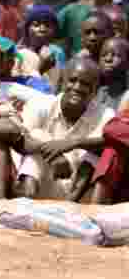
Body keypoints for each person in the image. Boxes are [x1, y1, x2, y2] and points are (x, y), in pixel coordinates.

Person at [9, 58, 112, 200]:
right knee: (37, 136)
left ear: (95, 91)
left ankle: (68, 205)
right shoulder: (40, 104)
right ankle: (26, 201)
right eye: (72, 80)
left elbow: (109, 143)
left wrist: (74, 143)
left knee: (94, 154)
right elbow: (21, 140)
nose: (77, 87)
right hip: (42, 182)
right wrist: (55, 155)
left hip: (77, 191)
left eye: (85, 84)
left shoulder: (105, 114)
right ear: (63, 81)